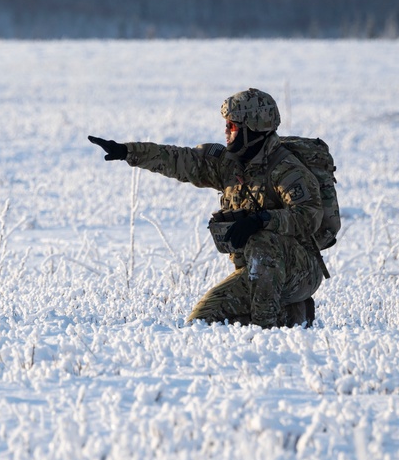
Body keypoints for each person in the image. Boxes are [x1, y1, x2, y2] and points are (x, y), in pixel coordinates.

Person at [89, 88, 327, 328]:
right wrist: (128, 152)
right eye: (226, 125)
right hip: (260, 273)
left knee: (263, 241)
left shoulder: (286, 169)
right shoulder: (229, 164)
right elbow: (179, 159)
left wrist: (262, 220)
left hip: (300, 271)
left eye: (232, 126)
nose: (226, 131)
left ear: (253, 129)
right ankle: (294, 314)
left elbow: (309, 217)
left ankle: (266, 330)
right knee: (204, 322)